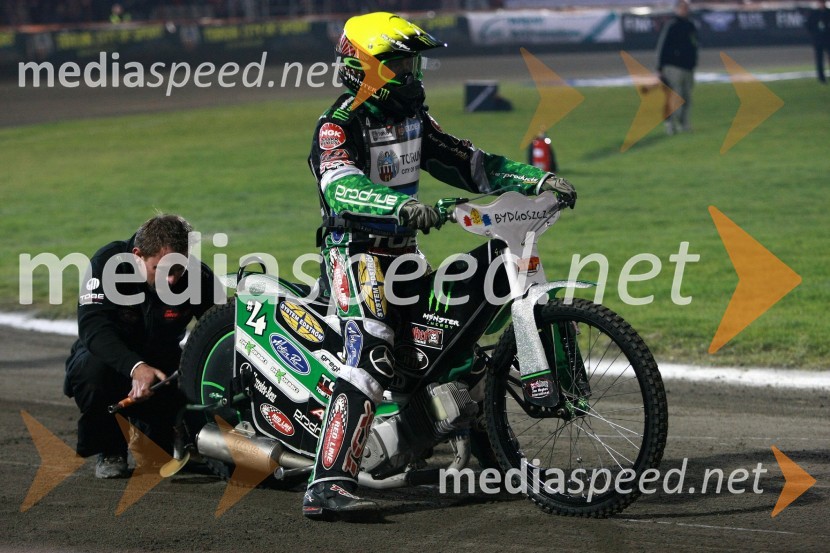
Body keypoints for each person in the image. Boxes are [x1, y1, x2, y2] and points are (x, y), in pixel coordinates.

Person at [303, 11, 577, 520]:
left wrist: (537, 180)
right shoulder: (338, 125)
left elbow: (472, 163)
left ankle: (487, 458)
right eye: (401, 64)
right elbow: (340, 185)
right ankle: (327, 483)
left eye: (414, 63)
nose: (413, 74)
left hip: (404, 255)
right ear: (368, 68)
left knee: (456, 342)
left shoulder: (413, 119)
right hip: (354, 255)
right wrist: (399, 206)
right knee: (373, 355)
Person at [64, 214, 223, 478]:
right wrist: (136, 367)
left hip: (165, 365)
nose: (173, 280)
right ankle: (110, 448)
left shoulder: (197, 276)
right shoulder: (107, 263)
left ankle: (171, 438)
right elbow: (93, 328)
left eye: (178, 270)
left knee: (158, 454)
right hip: (110, 359)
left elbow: (219, 330)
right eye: (162, 270)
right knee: (92, 372)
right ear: (137, 255)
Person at [656, 0, 698, 134]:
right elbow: (662, 47)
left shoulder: (691, 25)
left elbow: (694, 45)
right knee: (675, 96)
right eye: (682, 8)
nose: (685, 10)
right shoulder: (671, 25)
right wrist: (660, 67)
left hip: (688, 67)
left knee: (686, 97)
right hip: (673, 66)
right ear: (676, 9)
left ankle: (684, 124)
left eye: (686, 8)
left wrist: (693, 62)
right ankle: (670, 124)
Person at [807, 1, 830, 84]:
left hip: (828, 39)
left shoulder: (828, 12)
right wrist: (815, 34)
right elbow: (809, 25)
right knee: (819, 59)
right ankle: (821, 77)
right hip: (818, 40)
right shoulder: (814, 13)